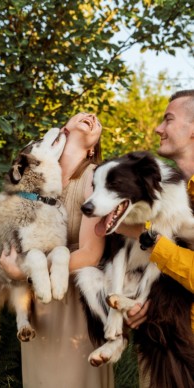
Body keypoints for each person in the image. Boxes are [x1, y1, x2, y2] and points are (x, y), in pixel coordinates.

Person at [0, 113, 114, 388]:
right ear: (62, 132)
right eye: (83, 114)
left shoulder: (94, 177)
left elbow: (90, 253)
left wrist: (24, 271)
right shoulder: (30, 180)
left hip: (76, 302)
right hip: (38, 307)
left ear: (92, 148)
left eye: (97, 120)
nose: (92, 115)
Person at [116, 89, 194, 386]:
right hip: (163, 345)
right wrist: (151, 300)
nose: (158, 128)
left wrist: (147, 237)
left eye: (168, 119)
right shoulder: (166, 192)